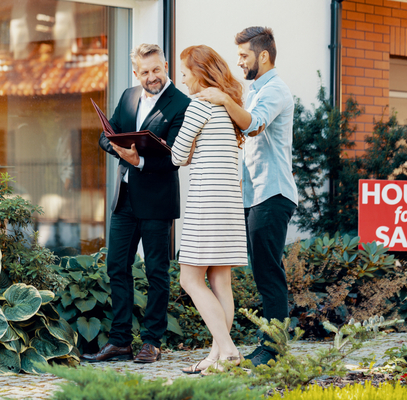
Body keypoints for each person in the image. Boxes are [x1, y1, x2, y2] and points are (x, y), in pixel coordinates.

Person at [81, 44, 190, 363]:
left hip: (157, 200)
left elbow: (175, 159)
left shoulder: (180, 104)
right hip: (125, 199)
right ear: (135, 73)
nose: (152, 77)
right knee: (117, 267)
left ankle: (152, 342)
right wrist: (119, 150)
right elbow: (106, 135)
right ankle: (119, 341)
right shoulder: (128, 96)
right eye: (145, 72)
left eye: (157, 70)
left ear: (166, 66)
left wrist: (140, 160)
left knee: (157, 271)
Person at [197, 26, 298, 367]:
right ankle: (268, 343)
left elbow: (253, 124)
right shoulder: (255, 90)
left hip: (274, 192)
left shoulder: (276, 91)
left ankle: (273, 349)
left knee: (269, 272)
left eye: (244, 55)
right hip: (255, 195)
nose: (238, 61)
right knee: (261, 271)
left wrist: (224, 99)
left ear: (263, 55)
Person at [171, 45, 248, 374]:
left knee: (190, 279)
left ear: (199, 73)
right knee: (221, 280)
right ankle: (217, 357)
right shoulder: (227, 109)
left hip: (206, 201)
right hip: (229, 201)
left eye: (185, 71)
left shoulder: (198, 105)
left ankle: (228, 350)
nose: (182, 78)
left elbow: (176, 156)